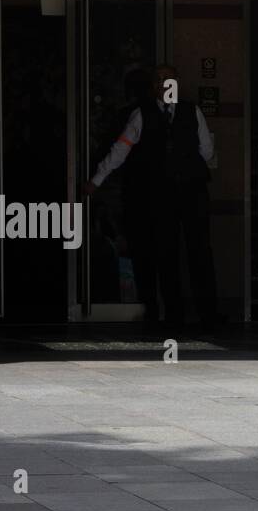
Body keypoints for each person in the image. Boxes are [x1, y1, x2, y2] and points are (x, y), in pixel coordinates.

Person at [85, 64, 222, 330]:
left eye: (169, 78)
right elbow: (120, 150)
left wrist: (194, 166)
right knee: (167, 253)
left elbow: (206, 149)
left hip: (192, 191)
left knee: (200, 252)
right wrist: (96, 180)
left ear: (177, 83)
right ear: (154, 87)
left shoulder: (191, 111)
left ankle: (208, 313)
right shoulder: (141, 115)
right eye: (160, 80)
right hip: (163, 194)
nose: (164, 83)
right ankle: (174, 314)